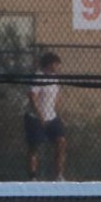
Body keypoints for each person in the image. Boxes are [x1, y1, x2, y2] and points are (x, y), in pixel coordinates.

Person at [24, 52, 65, 181]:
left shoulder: (55, 78)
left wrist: (58, 113)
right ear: (50, 64)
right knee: (34, 147)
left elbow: (57, 96)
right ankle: (33, 176)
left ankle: (59, 175)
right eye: (56, 64)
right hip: (35, 118)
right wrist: (40, 116)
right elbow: (32, 96)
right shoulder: (38, 76)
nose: (58, 67)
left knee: (61, 142)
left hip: (52, 117)